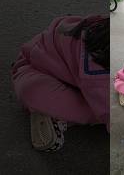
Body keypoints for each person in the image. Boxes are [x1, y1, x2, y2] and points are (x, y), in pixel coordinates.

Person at [11, 14, 109, 151]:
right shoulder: (97, 73)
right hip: (35, 71)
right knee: (99, 111)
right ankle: (56, 116)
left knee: (101, 101)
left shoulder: (100, 29)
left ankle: (55, 112)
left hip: (67, 71)